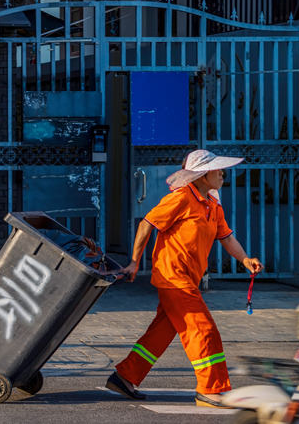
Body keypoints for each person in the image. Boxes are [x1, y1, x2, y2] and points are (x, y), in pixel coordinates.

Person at [105, 149, 264, 407]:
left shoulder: (212, 204)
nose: (222, 174)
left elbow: (226, 237)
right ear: (202, 175)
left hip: (188, 280)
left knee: (161, 332)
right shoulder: (180, 198)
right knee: (203, 329)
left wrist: (245, 259)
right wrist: (134, 262)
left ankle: (125, 376)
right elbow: (147, 224)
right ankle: (210, 389)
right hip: (173, 278)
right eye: (217, 170)